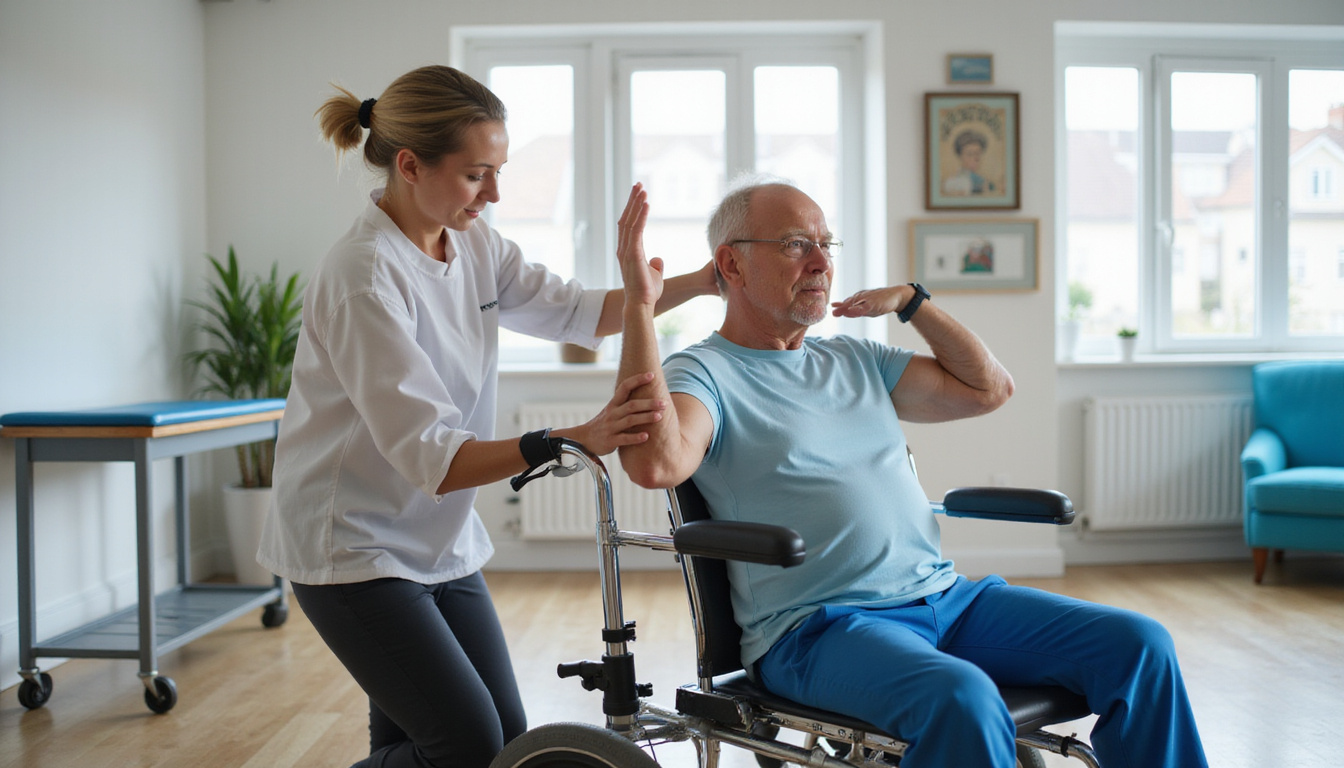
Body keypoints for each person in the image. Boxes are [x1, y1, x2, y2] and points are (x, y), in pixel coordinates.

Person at [612, 176, 1209, 768]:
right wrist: (640, 305)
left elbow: (989, 389)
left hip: (949, 601)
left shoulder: (854, 357)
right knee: (964, 699)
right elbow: (656, 462)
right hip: (821, 629)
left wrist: (912, 303)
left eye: (826, 244)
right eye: (795, 244)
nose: (821, 262)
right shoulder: (705, 373)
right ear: (732, 265)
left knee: (1140, 646)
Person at [257, 65, 716, 768]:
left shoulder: (473, 244)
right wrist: (570, 438)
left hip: (438, 540)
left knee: (495, 740)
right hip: (354, 548)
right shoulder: (364, 277)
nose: (494, 194)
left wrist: (702, 282)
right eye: (477, 175)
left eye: (498, 173)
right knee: (468, 748)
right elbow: (433, 457)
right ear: (410, 165)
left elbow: (579, 312)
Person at [942, 128, 996, 196]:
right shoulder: (952, 182)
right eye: (970, 154)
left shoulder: (985, 183)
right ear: (960, 156)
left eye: (978, 153)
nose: (976, 158)